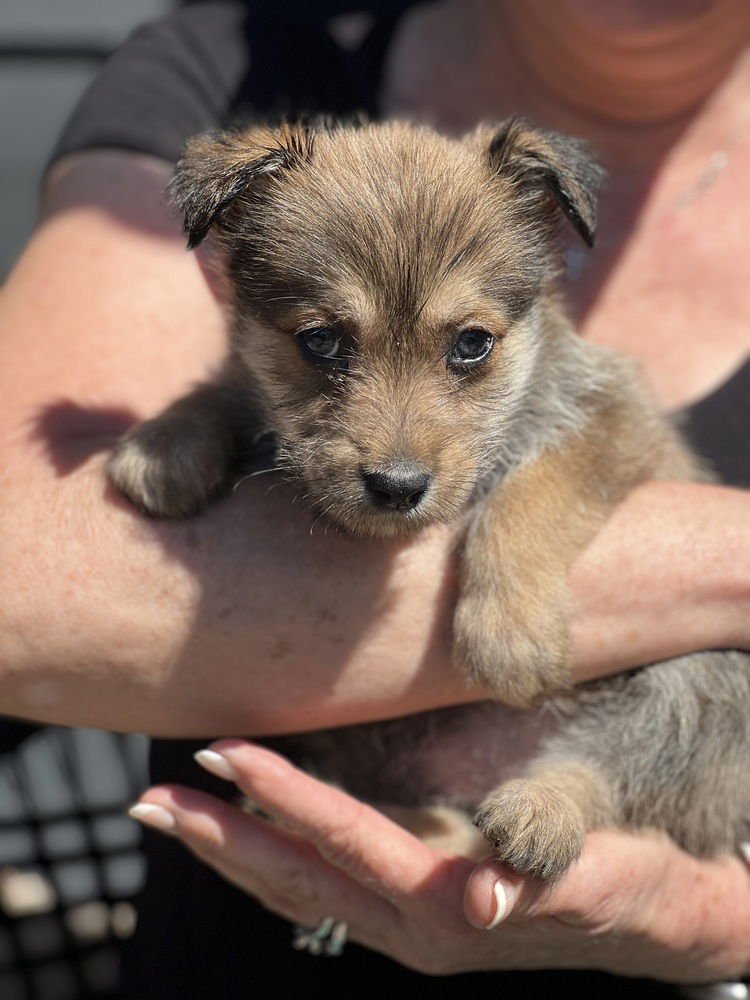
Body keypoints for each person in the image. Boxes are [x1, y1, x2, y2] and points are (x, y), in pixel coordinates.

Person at [0, 0, 748, 995]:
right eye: (324, 344)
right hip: (250, 955)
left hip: (625, 771)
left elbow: (611, 424)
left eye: (469, 347)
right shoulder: (223, 56)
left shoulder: (526, 231)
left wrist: (728, 927)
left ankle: (576, 789)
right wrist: (202, 423)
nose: (395, 448)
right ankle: (428, 826)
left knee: (707, 697)